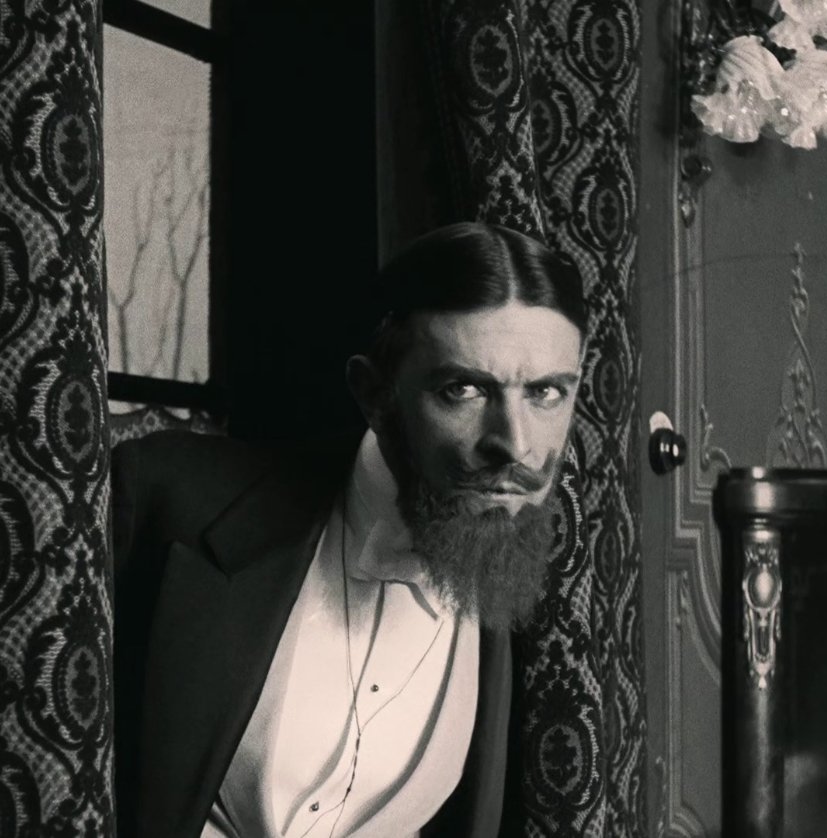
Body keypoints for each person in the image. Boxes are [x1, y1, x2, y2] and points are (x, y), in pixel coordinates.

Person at [111, 221, 586, 838]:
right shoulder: (164, 497)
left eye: (546, 393)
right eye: (464, 389)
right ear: (373, 394)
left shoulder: (534, 594)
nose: (514, 445)